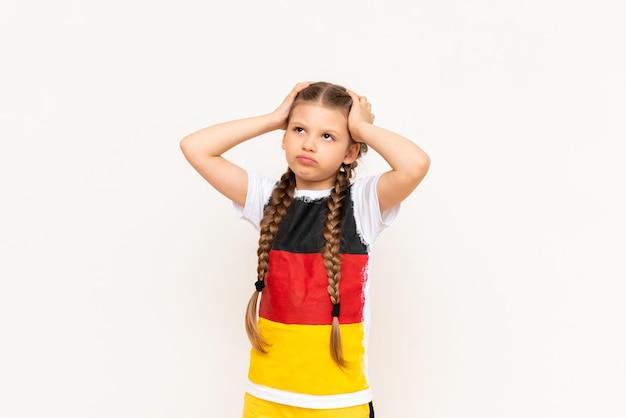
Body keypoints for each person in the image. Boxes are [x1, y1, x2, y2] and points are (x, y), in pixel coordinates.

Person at [180, 81, 430, 418]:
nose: (309, 143)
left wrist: (361, 128)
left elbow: (415, 165)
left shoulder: (363, 205)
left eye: (328, 136)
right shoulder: (265, 200)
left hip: (338, 404)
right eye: (299, 129)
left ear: (350, 152)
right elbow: (195, 147)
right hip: (265, 399)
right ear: (284, 137)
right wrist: (273, 118)